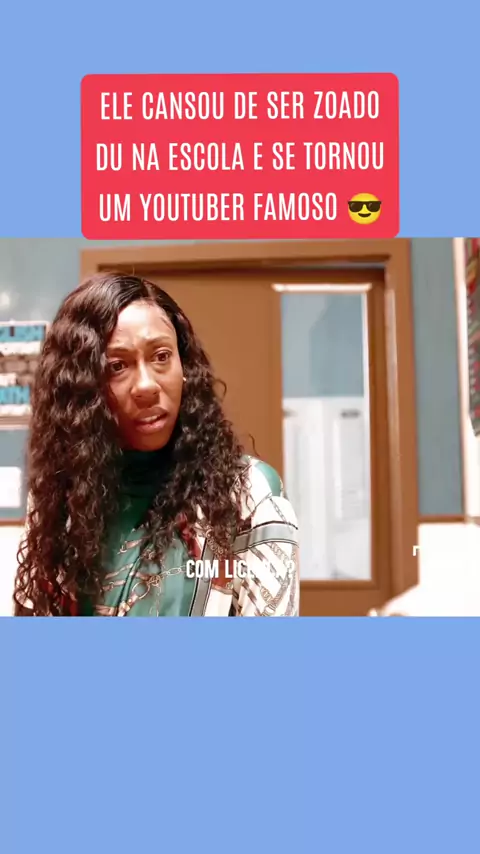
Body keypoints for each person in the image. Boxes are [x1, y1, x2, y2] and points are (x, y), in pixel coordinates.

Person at [14, 273, 299, 617]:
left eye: (162, 356)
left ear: (184, 367)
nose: (146, 386)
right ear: (83, 390)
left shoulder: (249, 496)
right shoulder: (60, 495)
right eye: (117, 366)